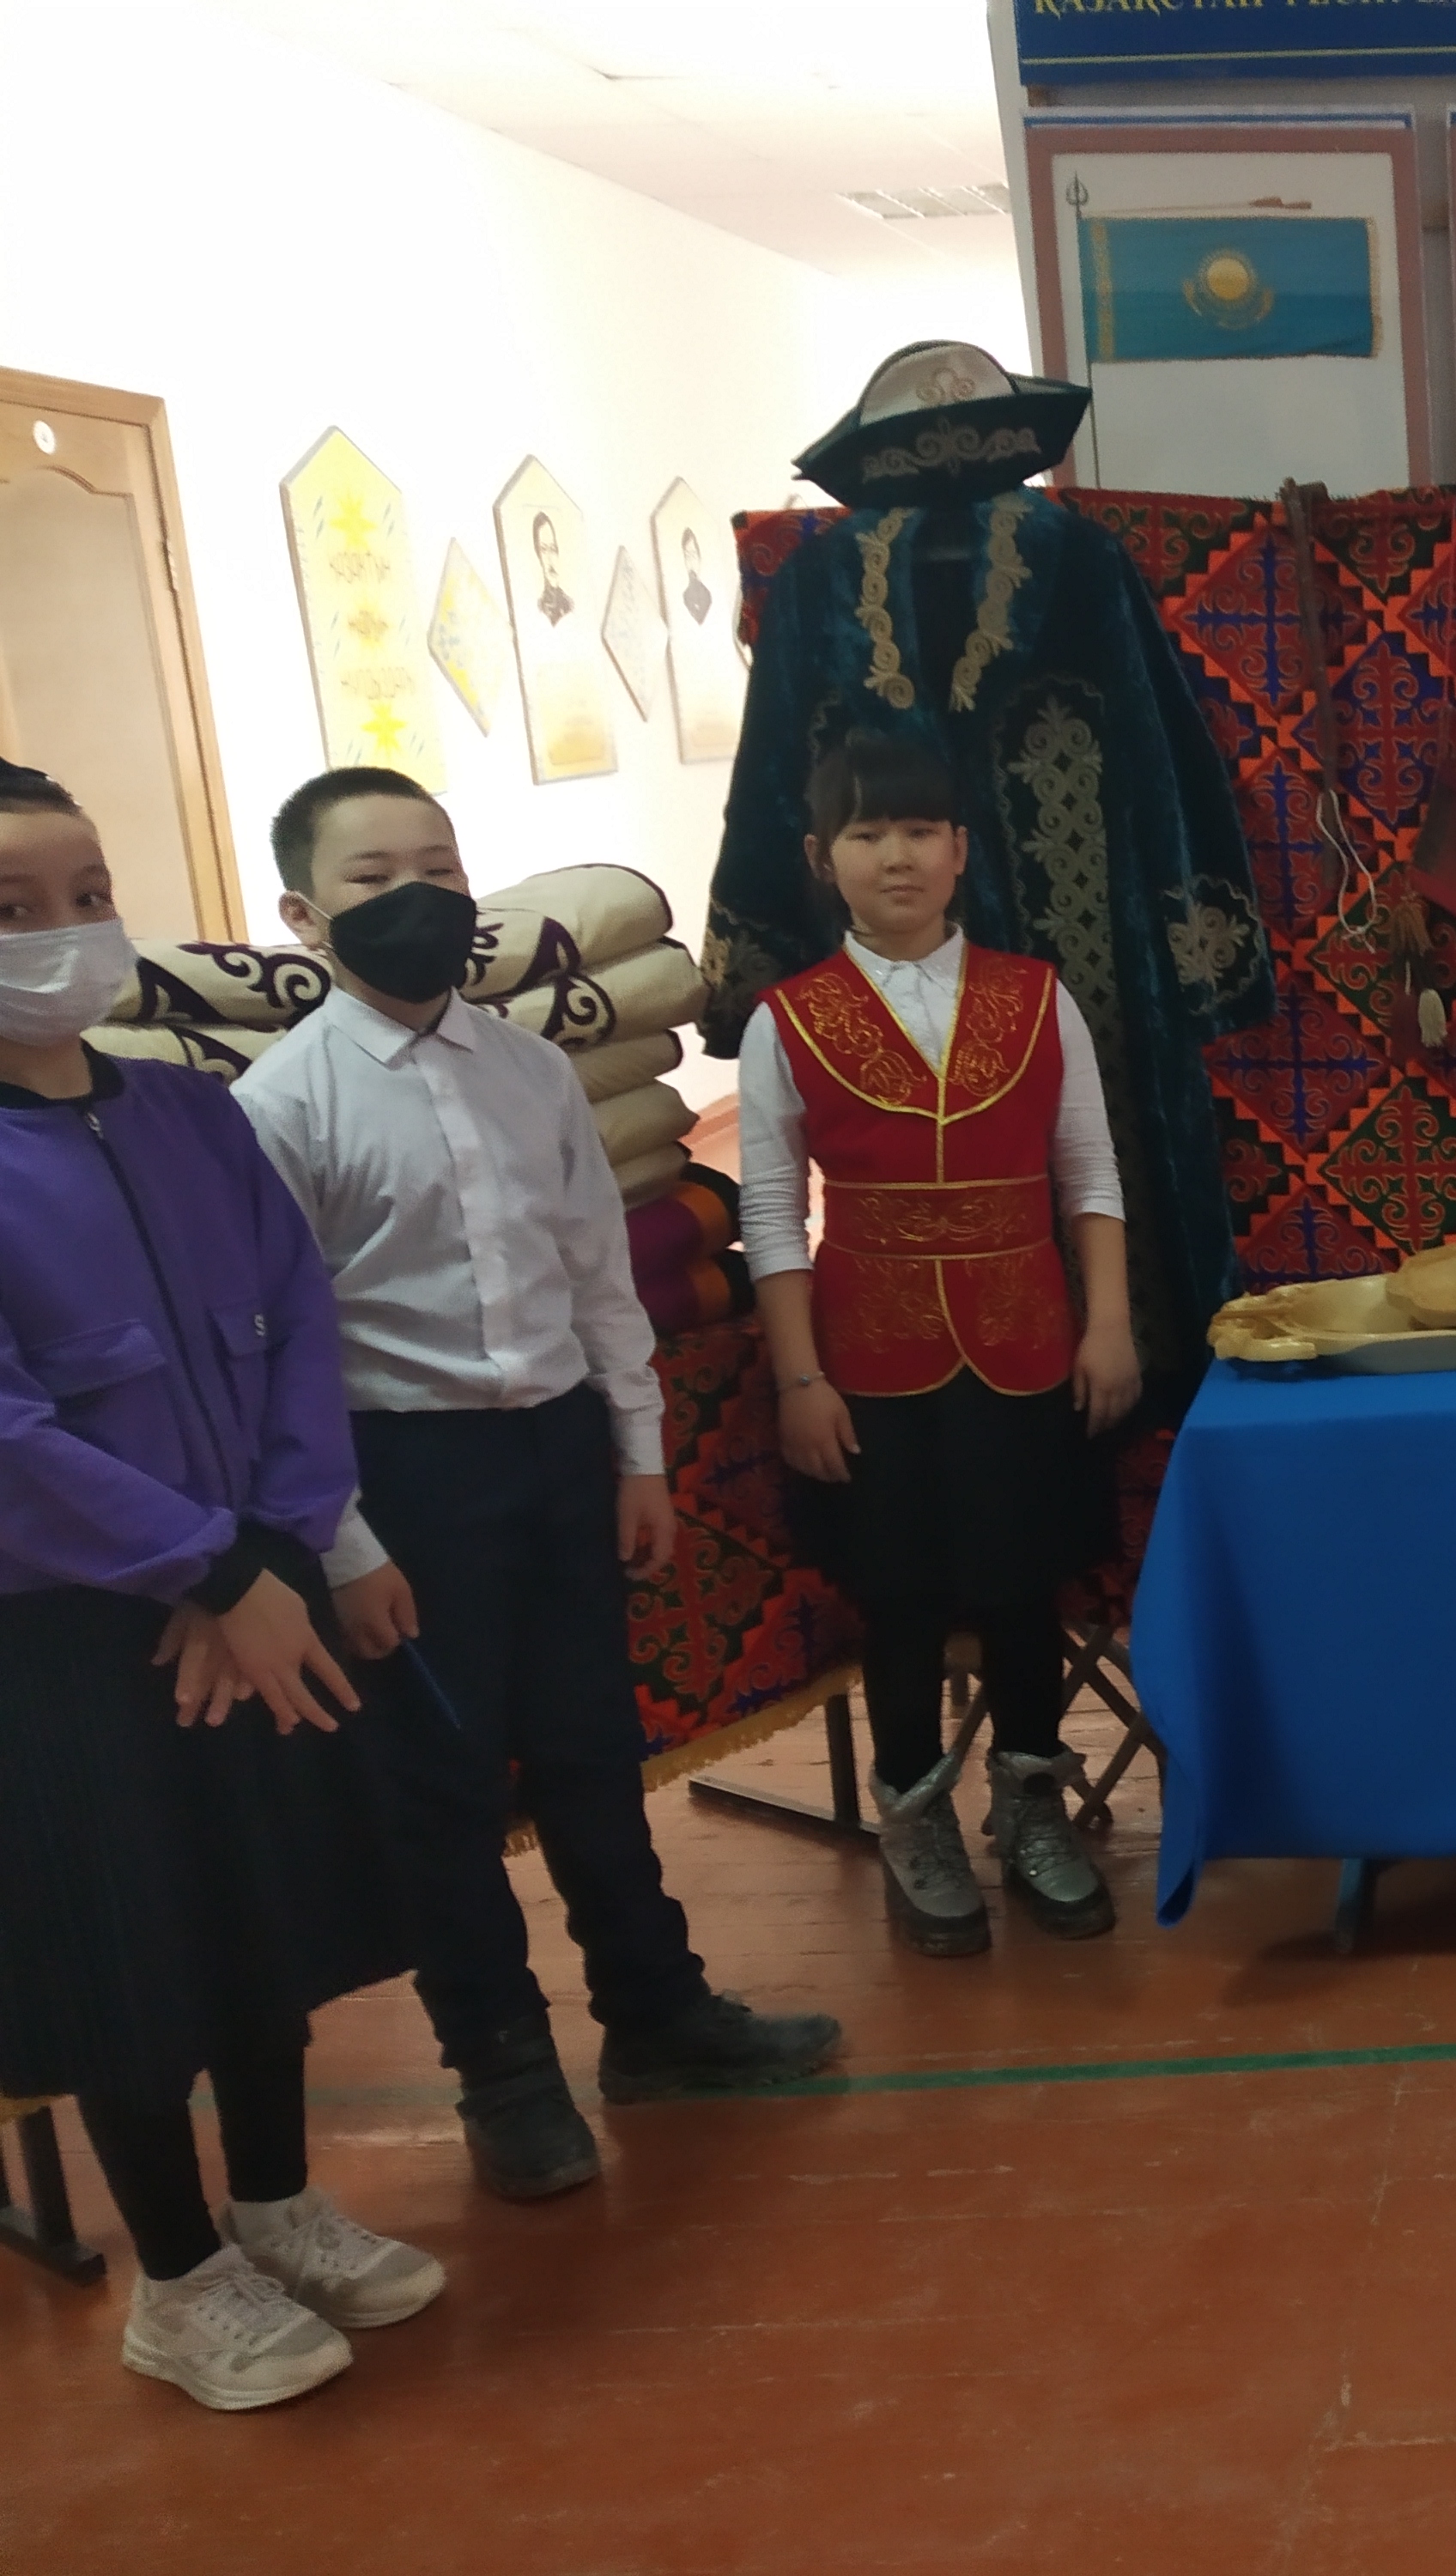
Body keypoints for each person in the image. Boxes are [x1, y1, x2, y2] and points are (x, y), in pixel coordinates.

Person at [236, 768, 840, 2203]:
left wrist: (635, 1455)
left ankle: (657, 2015)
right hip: (405, 1476)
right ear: (306, 916)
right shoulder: (279, 1108)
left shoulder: (530, 1072)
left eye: (439, 866)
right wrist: (346, 1544)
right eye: (375, 877)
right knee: (443, 1788)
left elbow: (596, 1278)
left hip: (559, 1452)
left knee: (589, 1749)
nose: (418, 897)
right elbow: (276, 1353)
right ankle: (503, 2072)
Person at [0, 762, 440, 2410]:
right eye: (14, 910)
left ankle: (276, 2202)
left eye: (87, 894)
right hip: (72, 1629)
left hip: (254, 1583)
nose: (64, 931)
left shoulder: (188, 1112)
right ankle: (178, 2278)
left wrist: (272, 1544)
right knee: (135, 1945)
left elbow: (298, 1324)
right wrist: (200, 1568)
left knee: (262, 1912)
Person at [740, 731, 1142, 1955]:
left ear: (961, 849)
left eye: (919, 830)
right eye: (867, 834)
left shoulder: (1036, 995)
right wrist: (799, 1377)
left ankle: (1033, 1811)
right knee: (901, 1600)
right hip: (868, 1356)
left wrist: (1109, 1323)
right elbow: (772, 1212)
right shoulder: (787, 1020)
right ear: (824, 859)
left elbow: (1088, 1172)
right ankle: (915, 1825)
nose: (897, 856)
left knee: (1024, 1590)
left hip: (1028, 1337)